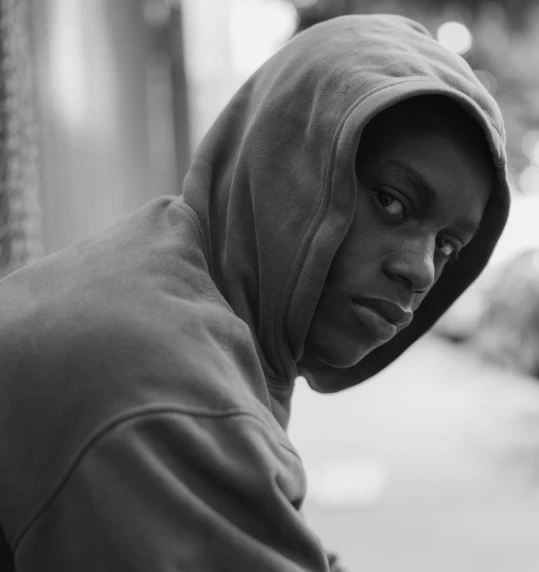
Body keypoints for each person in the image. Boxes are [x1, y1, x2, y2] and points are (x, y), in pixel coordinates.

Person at [0, 13, 510, 571]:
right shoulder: (168, 393)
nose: (421, 271)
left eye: (447, 246)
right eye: (391, 201)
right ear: (290, 162)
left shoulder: (171, 279)